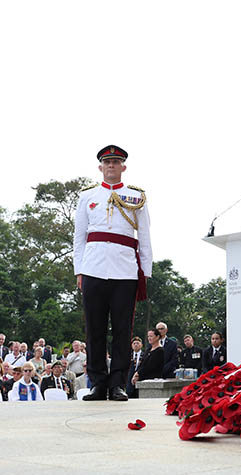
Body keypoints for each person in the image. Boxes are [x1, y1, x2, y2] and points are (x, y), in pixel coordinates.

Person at [74, 145, 153, 401]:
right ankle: (98, 383)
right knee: (94, 330)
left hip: (125, 271)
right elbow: (79, 237)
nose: (111, 166)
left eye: (116, 162)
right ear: (100, 167)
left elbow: (145, 236)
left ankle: (117, 383)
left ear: (123, 167)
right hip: (94, 269)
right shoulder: (87, 197)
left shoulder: (135, 197)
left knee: (122, 331)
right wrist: (79, 270)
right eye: (107, 162)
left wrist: (146, 270)